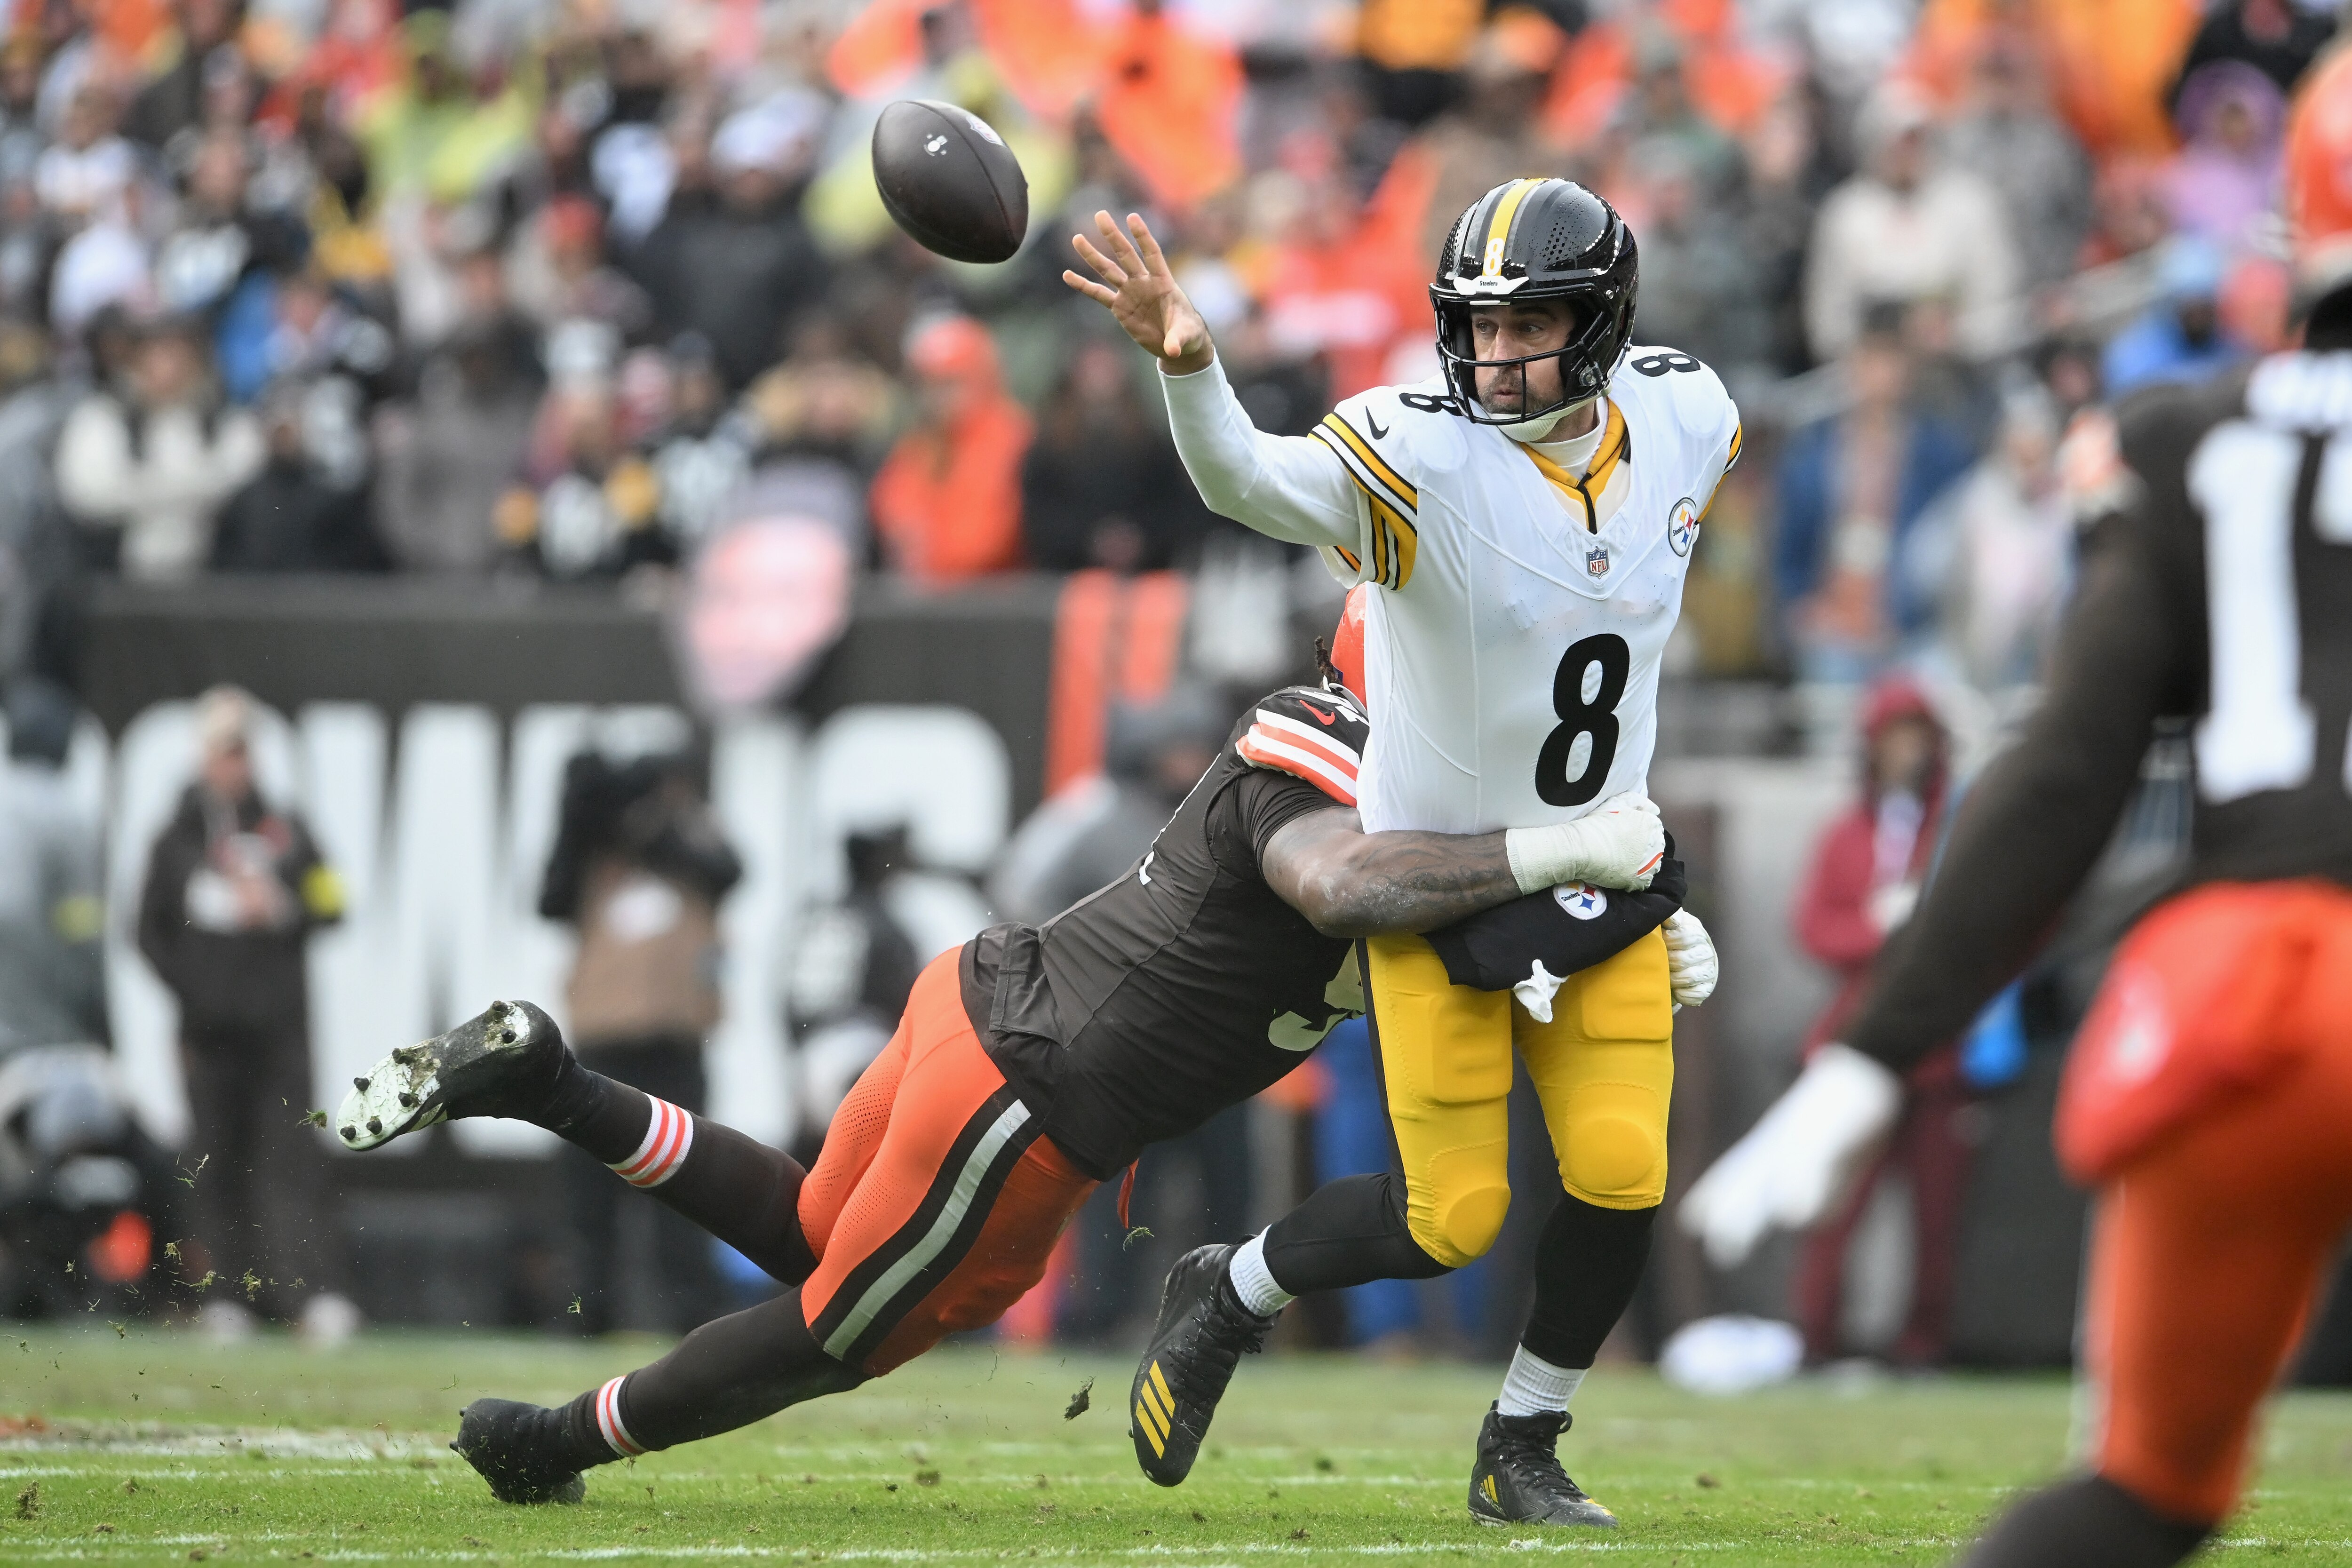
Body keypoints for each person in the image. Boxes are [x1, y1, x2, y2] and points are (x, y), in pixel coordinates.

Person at [334, 677, 1689, 1505]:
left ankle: (551, 1079)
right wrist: (1565, 848)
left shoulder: (1437, 812)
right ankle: (549, 1442)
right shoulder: (1339, 758)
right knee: (834, 1333)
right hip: (1035, 1092)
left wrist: (1621, 920)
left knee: (824, 1234)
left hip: (979, 1008)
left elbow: (1480, 926)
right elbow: (1351, 884)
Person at [1676, 53, 2352, 1568]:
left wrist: (1863, 1055)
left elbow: (2062, 770)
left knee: (2143, 1495)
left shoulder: (2194, 441)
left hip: (2239, 995)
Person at [1062, 180, 1732, 1526]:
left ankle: (1523, 1441)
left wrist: (1637, 874)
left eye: (1528, 324)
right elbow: (1247, 480)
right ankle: (1231, 1284)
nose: (1492, 356)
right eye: (1474, 327)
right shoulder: (1417, 454)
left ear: (1601, 328)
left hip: (1596, 866)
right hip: (1449, 871)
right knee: (1450, 1214)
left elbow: (1611, 639)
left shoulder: (1689, 415)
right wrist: (1193, 371)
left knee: (1621, 1170)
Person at [134, 686, 356, 1342]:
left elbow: (335, 902)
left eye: (242, 749)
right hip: (208, 1032)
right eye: (222, 750)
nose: (233, 763)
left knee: (290, 1159)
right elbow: (147, 931)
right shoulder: (176, 840)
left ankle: (307, 1293)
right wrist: (195, 991)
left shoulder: (286, 830)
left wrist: (283, 902)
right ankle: (226, 1295)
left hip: (280, 1030)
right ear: (203, 757)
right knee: (215, 1161)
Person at [1786, 679, 1971, 1368]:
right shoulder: (1846, 834)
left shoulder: (1955, 829)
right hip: (1858, 1045)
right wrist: (1875, 928)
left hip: (1939, 1048)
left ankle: (1924, 1346)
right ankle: (1815, 1339)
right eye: (1893, 737)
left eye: (1916, 736)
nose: (1905, 752)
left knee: (1937, 1213)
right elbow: (1812, 928)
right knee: (1834, 1206)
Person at [536, 748, 742, 1335]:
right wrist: (583, 818)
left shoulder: (690, 832)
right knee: (589, 1192)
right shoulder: (589, 844)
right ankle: (585, 1313)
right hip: (604, 1037)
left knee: (686, 1182)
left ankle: (691, 1313)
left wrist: (653, 822)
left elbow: (730, 870)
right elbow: (548, 900)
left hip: (675, 1036)